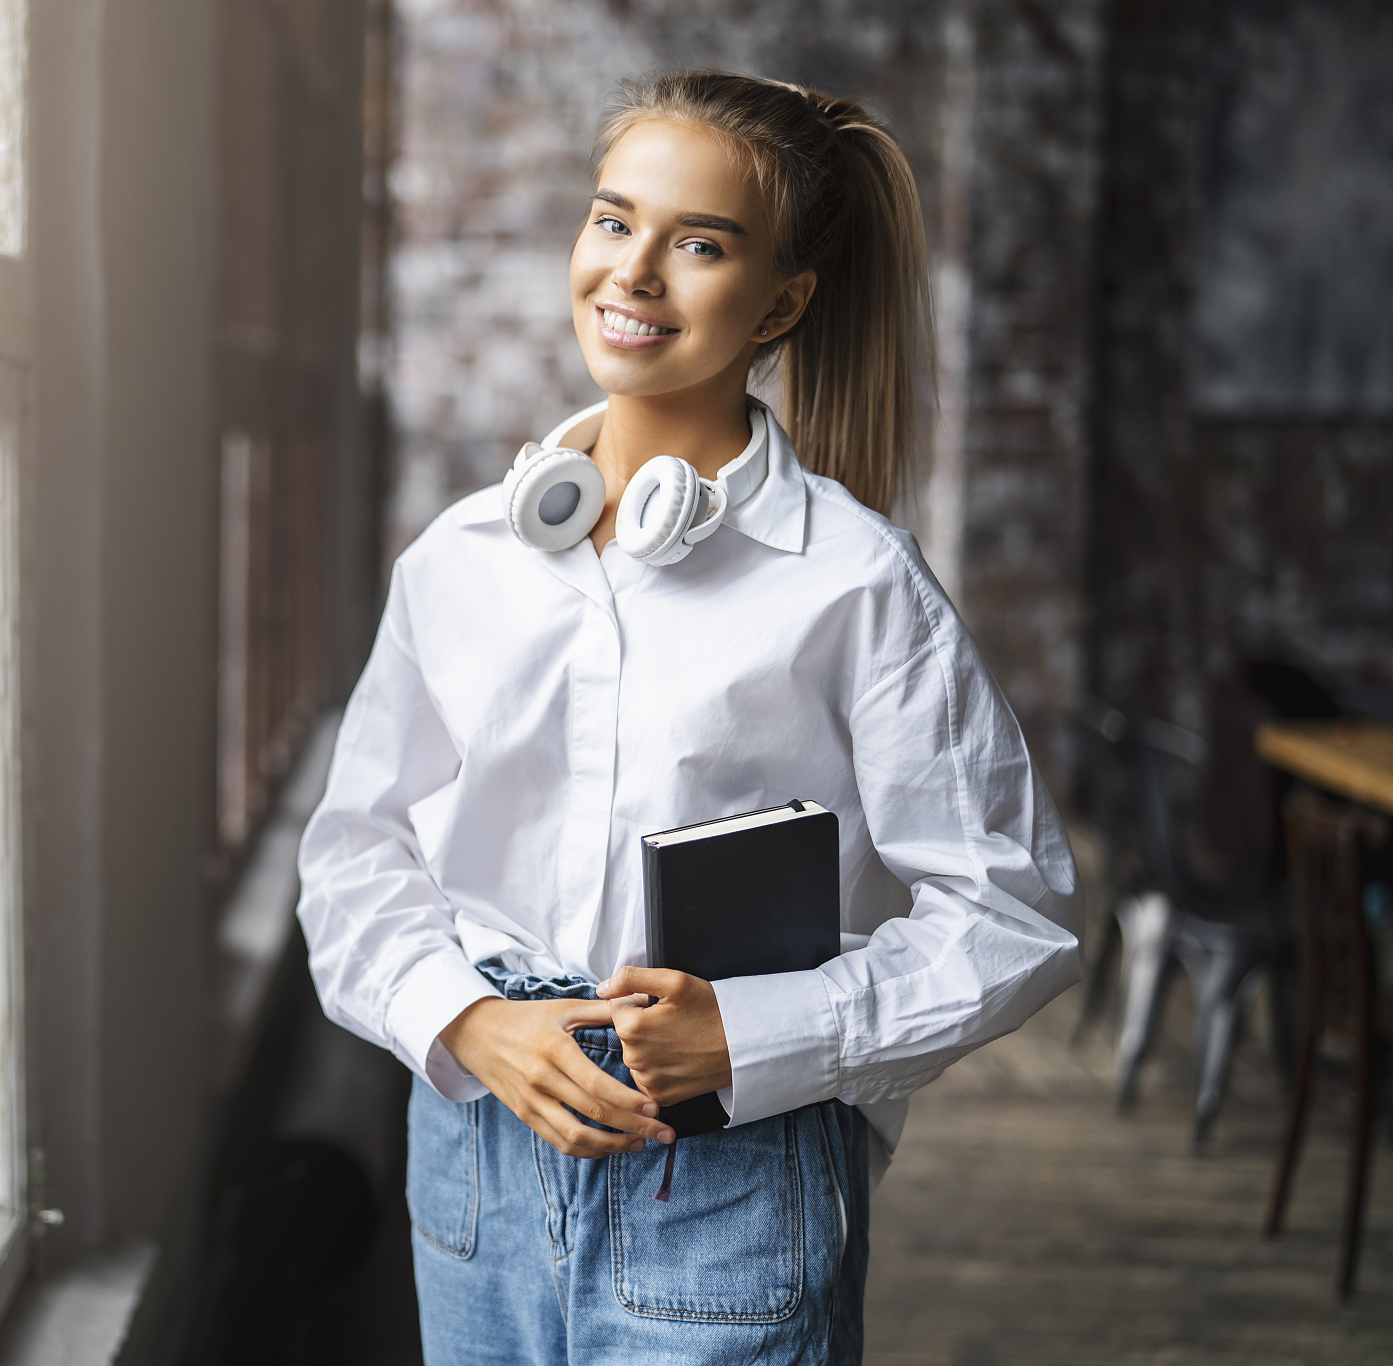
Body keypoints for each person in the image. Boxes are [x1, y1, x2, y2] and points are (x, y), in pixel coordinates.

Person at [296, 69, 1081, 1365]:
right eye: (613, 220)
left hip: (734, 1173)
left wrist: (759, 1033)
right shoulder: (460, 561)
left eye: (698, 243)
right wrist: (465, 1016)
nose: (635, 271)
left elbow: (1016, 909)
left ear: (781, 301)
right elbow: (352, 852)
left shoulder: (855, 581)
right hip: (480, 1154)